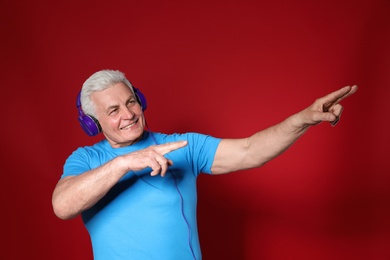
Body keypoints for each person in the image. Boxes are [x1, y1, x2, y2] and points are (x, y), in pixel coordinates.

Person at [52, 69, 358, 260]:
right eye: (114, 110)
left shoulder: (184, 146)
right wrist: (123, 164)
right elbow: (63, 205)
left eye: (131, 101)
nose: (129, 114)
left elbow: (250, 151)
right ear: (93, 123)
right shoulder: (86, 160)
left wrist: (301, 120)